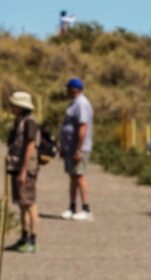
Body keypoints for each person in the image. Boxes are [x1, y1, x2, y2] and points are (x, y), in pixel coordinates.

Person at [5, 91, 40, 253]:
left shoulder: (30, 123)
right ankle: (24, 236)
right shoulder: (19, 122)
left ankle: (32, 239)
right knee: (21, 203)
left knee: (29, 204)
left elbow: (30, 146)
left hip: (25, 169)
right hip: (16, 167)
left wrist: (24, 171)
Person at [59, 77, 93, 221]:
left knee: (80, 175)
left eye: (68, 88)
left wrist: (79, 149)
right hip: (70, 147)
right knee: (73, 176)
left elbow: (83, 127)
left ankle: (86, 208)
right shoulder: (74, 103)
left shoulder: (81, 104)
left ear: (74, 89)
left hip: (79, 147)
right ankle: (72, 206)